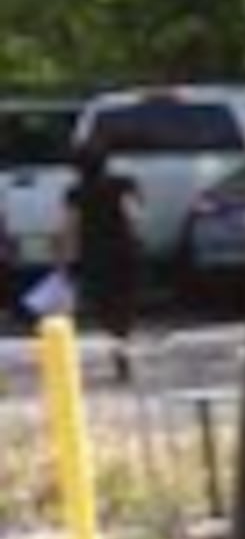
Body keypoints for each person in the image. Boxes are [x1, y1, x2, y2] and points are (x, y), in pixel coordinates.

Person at [64, 140, 141, 370]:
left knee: (103, 303)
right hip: (123, 249)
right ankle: (123, 341)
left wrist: (67, 259)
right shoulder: (124, 185)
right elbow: (134, 215)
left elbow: (71, 227)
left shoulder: (75, 193)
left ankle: (115, 342)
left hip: (94, 254)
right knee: (125, 301)